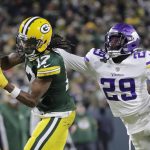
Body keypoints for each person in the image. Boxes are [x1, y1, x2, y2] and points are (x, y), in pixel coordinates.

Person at [52, 23, 150, 150]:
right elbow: (71, 60)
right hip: (132, 124)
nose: (111, 43)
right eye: (110, 39)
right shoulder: (98, 62)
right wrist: (51, 49)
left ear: (130, 41)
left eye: (116, 40)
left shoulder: (141, 61)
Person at [0, 16, 76, 150]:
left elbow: (31, 100)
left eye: (28, 42)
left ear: (42, 42)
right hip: (41, 112)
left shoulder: (50, 61)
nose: (24, 45)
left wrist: (6, 85)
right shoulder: (32, 50)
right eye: (22, 40)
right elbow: (6, 63)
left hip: (56, 114)